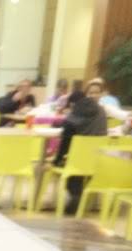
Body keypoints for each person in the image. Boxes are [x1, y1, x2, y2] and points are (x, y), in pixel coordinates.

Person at [54, 83, 108, 214]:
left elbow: (66, 138)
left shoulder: (77, 112)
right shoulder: (102, 112)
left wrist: (57, 160)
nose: (93, 96)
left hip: (76, 161)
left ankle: (75, 194)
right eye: (91, 93)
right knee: (81, 160)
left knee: (65, 161)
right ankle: (83, 196)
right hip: (98, 159)